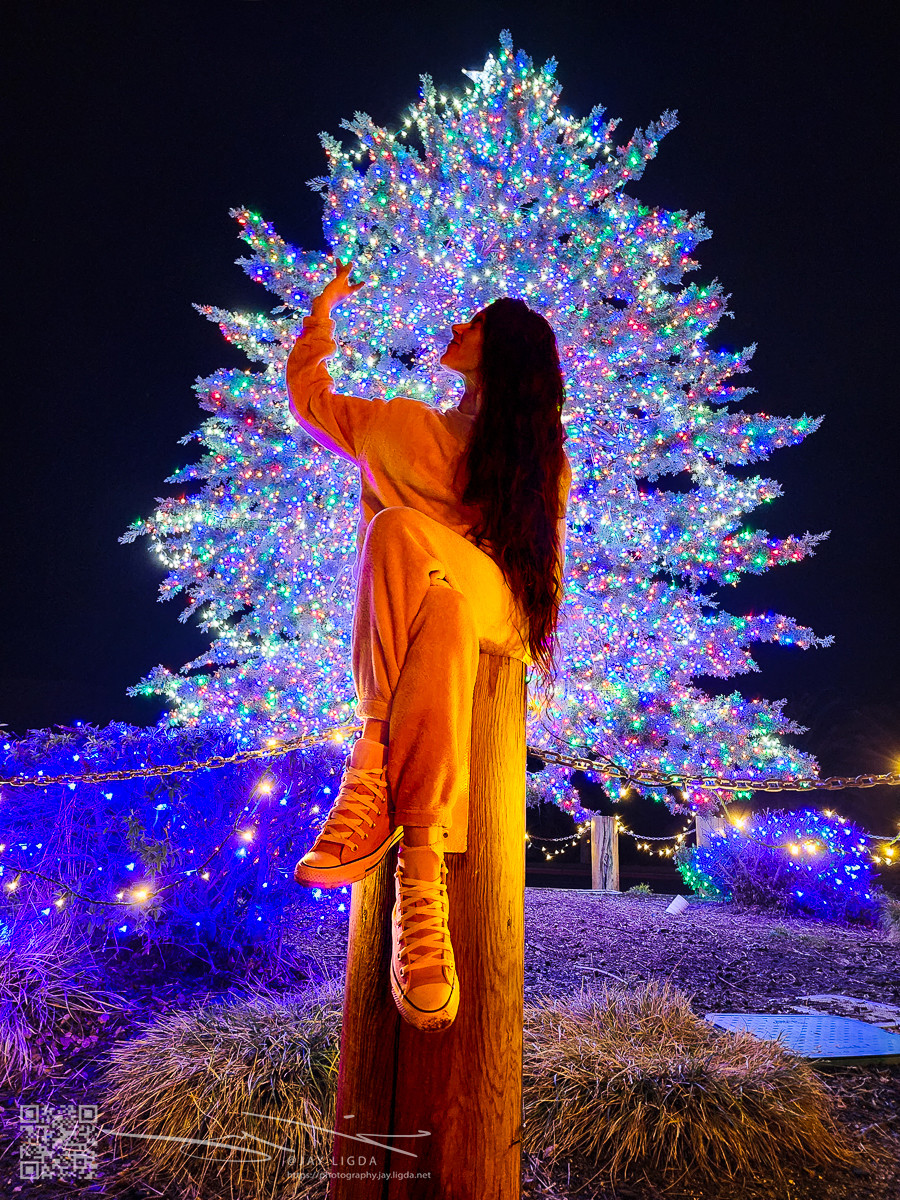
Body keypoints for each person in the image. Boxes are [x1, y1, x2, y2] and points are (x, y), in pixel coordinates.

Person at [287, 258, 571, 1031]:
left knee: (403, 536)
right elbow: (310, 400)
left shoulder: (534, 457)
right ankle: (421, 885)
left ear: (503, 350)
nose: (455, 328)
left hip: (501, 611)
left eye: (474, 323)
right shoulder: (400, 424)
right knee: (434, 605)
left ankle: (370, 761)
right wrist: (321, 318)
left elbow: (536, 568)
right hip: (432, 619)